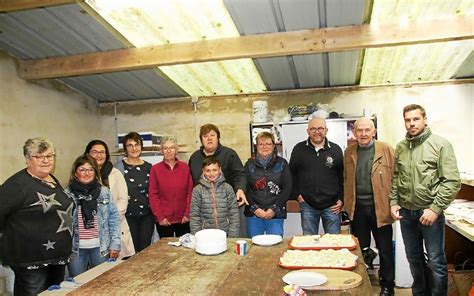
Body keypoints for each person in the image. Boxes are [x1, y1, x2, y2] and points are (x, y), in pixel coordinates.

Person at [390, 104, 461, 296]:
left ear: (425, 120)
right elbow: (396, 177)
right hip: (406, 213)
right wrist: (393, 202)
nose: (411, 123)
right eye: (407, 120)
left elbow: (452, 181)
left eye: (416, 119)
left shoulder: (440, 144)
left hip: (429, 213)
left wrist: (435, 209)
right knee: (414, 259)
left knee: (436, 261)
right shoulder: (401, 147)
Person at [0, 138, 73, 295]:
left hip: (56, 258)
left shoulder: (52, 180)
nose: (45, 160)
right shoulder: (16, 185)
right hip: (31, 262)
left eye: (49, 156)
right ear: (27, 159)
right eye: (39, 157)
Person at [343, 118, 395, 296]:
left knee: (386, 249)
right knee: (359, 249)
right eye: (359, 130)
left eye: (367, 130)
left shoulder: (386, 149)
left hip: (380, 208)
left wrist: (395, 203)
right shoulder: (349, 152)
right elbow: (345, 179)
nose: (363, 134)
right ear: (354, 133)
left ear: (374, 131)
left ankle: (387, 286)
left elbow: (397, 178)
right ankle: (361, 283)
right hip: (357, 210)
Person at [65, 155, 121, 277]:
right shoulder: (67, 194)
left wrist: (115, 244)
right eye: (82, 169)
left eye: (90, 169)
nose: (86, 173)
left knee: (102, 283)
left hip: (100, 248)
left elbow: (114, 219)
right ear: (75, 173)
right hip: (76, 250)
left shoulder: (104, 192)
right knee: (78, 284)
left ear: (95, 172)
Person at [189, 124, 248, 237]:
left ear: (218, 137)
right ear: (201, 139)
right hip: (204, 211)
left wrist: (240, 189)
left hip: (228, 208)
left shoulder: (229, 154)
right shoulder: (194, 157)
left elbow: (240, 174)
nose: (209, 138)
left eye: (212, 135)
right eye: (205, 136)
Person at [289, 117, 344, 235]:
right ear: (308, 131)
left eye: (320, 128)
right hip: (307, 204)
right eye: (313, 129)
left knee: (334, 243)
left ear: (326, 130)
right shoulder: (299, 149)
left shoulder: (336, 150)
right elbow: (291, 174)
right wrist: (297, 195)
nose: (317, 131)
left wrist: (341, 199)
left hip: (332, 206)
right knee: (309, 243)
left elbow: (343, 177)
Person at [85, 140, 135, 258]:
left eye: (102, 152)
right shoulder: (83, 174)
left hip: (114, 224)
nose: (99, 155)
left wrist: (109, 218)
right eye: (95, 152)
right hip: (91, 228)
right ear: (87, 154)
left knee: (116, 265)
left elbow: (123, 199)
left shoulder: (115, 173)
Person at [244, 132, 292, 237]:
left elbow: (288, 188)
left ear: (273, 146)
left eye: (268, 144)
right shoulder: (249, 164)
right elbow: (245, 188)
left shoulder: (282, 163)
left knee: (275, 247)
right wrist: (255, 209)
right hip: (254, 215)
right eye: (261, 144)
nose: (264, 146)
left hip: (275, 214)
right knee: (254, 247)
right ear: (256, 146)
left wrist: (274, 209)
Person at [114, 132, 154, 252]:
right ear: (125, 149)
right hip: (127, 216)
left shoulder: (150, 167)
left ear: (141, 146)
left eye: (137, 144)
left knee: (145, 250)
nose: (134, 148)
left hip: (147, 216)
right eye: (130, 145)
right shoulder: (118, 168)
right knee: (130, 250)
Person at [149, 136, 193, 237]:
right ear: (162, 151)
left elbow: (190, 192)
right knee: (165, 250)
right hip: (164, 220)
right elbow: (153, 195)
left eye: (172, 148)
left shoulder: (185, 167)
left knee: (183, 249)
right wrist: (160, 217)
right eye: (165, 148)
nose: (168, 151)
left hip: (183, 219)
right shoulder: (155, 169)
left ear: (176, 150)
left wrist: (187, 213)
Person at [190, 156, 240, 237]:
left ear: (220, 170)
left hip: (225, 234)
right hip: (205, 235)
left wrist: (232, 236)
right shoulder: (197, 190)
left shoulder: (227, 188)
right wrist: (197, 236)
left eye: (214, 170)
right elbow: (194, 216)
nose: (211, 174)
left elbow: (234, 214)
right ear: (203, 171)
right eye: (208, 170)